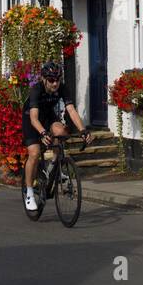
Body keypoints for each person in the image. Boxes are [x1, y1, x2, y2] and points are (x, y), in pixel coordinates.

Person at [23, 60, 89, 212]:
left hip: (48, 116)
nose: (55, 84)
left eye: (57, 80)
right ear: (43, 79)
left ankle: (53, 164)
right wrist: (43, 132)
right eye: (51, 80)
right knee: (34, 153)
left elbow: (71, 110)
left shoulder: (62, 88)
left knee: (61, 132)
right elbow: (34, 118)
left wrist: (83, 130)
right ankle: (29, 192)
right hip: (31, 119)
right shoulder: (36, 90)